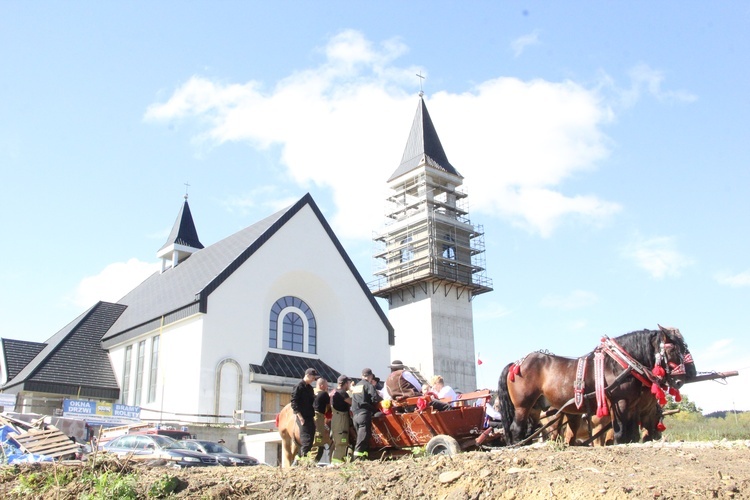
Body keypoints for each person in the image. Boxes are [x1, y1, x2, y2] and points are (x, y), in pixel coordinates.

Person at [351, 368, 382, 460]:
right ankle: (357, 459)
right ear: (371, 376)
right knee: (363, 438)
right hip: (364, 414)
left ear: (362, 376)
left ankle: (364, 457)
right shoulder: (368, 385)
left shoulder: (357, 386)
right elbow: (375, 398)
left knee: (360, 438)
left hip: (355, 415)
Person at [290, 367, 319, 459]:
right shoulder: (299, 386)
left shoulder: (310, 388)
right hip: (302, 416)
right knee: (306, 439)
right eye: (313, 377)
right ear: (307, 375)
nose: (314, 379)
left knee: (311, 439)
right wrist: (300, 416)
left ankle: (300, 458)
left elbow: (312, 402)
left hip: (310, 416)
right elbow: (294, 402)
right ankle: (304, 461)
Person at [330, 374, 352, 464]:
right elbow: (352, 402)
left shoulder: (333, 392)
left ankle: (337, 461)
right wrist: (353, 391)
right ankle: (337, 462)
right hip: (341, 420)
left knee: (338, 441)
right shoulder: (342, 393)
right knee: (342, 441)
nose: (349, 385)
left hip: (336, 418)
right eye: (348, 383)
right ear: (345, 383)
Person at [311, 377, 333, 461]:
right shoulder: (324, 394)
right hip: (318, 416)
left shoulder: (312, 392)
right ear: (321, 385)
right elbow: (328, 407)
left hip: (310, 416)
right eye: (326, 385)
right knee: (318, 437)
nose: (327, 387)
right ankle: (313, 458)